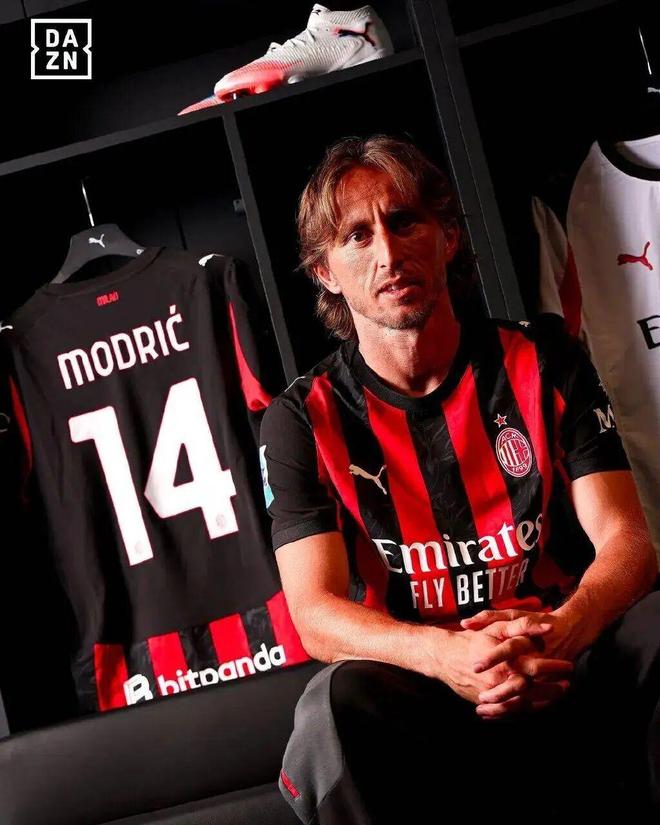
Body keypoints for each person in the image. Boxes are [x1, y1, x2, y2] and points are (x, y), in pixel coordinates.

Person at [259, 135, 660, 824]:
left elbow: (628, 539)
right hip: (429, 694)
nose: (388, 253)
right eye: (357, 235)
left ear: (447, 236)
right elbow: (314, 613)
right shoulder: (302, 418)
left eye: (404, 221)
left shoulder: (545, 359)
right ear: (325, 271)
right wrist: (446, 655)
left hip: (562, 658)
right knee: (330, 711)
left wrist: (561, 630)